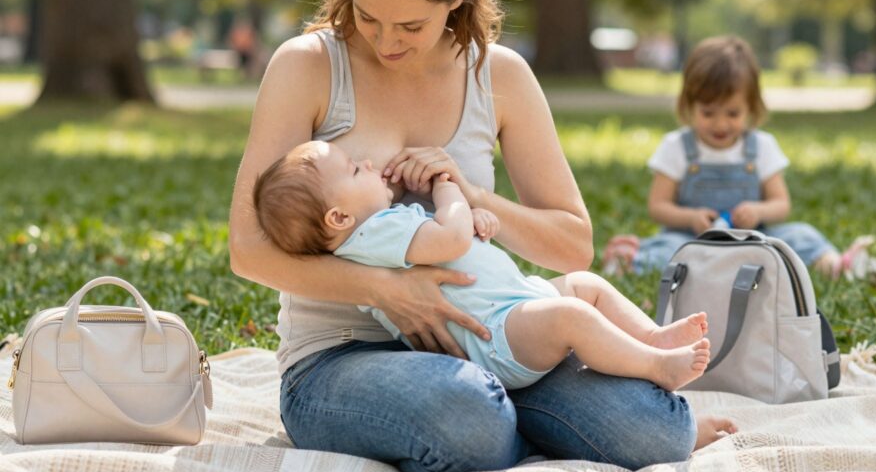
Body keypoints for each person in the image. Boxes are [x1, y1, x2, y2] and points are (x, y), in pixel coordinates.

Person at [228, 0, 734, 472]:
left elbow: (571, 243)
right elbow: (249, 250)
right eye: (368, 17)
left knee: (650, 430)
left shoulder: (500, 76)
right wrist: (386, 290)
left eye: (410, 25)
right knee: (467, 415)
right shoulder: (307, 66)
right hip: (341, 358)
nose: (387, 41)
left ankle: (511, 425)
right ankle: (516, 430)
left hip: (490, 338)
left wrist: (473, 195)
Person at [252, 139, 720, 393]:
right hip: (496, 333)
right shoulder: (372, 234)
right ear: (338, 218)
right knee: (574, 315)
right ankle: (657, 365)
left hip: (516, 304)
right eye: (355, 171)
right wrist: (448, 184)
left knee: (584, 285)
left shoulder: (381, 230)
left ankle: (652, 337)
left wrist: (472, 217)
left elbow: (451, 239)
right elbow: (449, 237)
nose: (368, 163)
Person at [602, 35, 876, 277]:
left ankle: (835, 264)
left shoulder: (761, 146)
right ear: (689, 105)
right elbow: (658, 206)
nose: (720, 125)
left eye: (732, 113)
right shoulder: (677, 146)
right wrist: (690, 217)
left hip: (754, 241)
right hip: (693, 242)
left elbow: (781, 203)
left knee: (800, 235)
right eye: (708, 113)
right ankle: (627, 261)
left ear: (751, 107)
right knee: (670, 250)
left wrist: (758, 211)